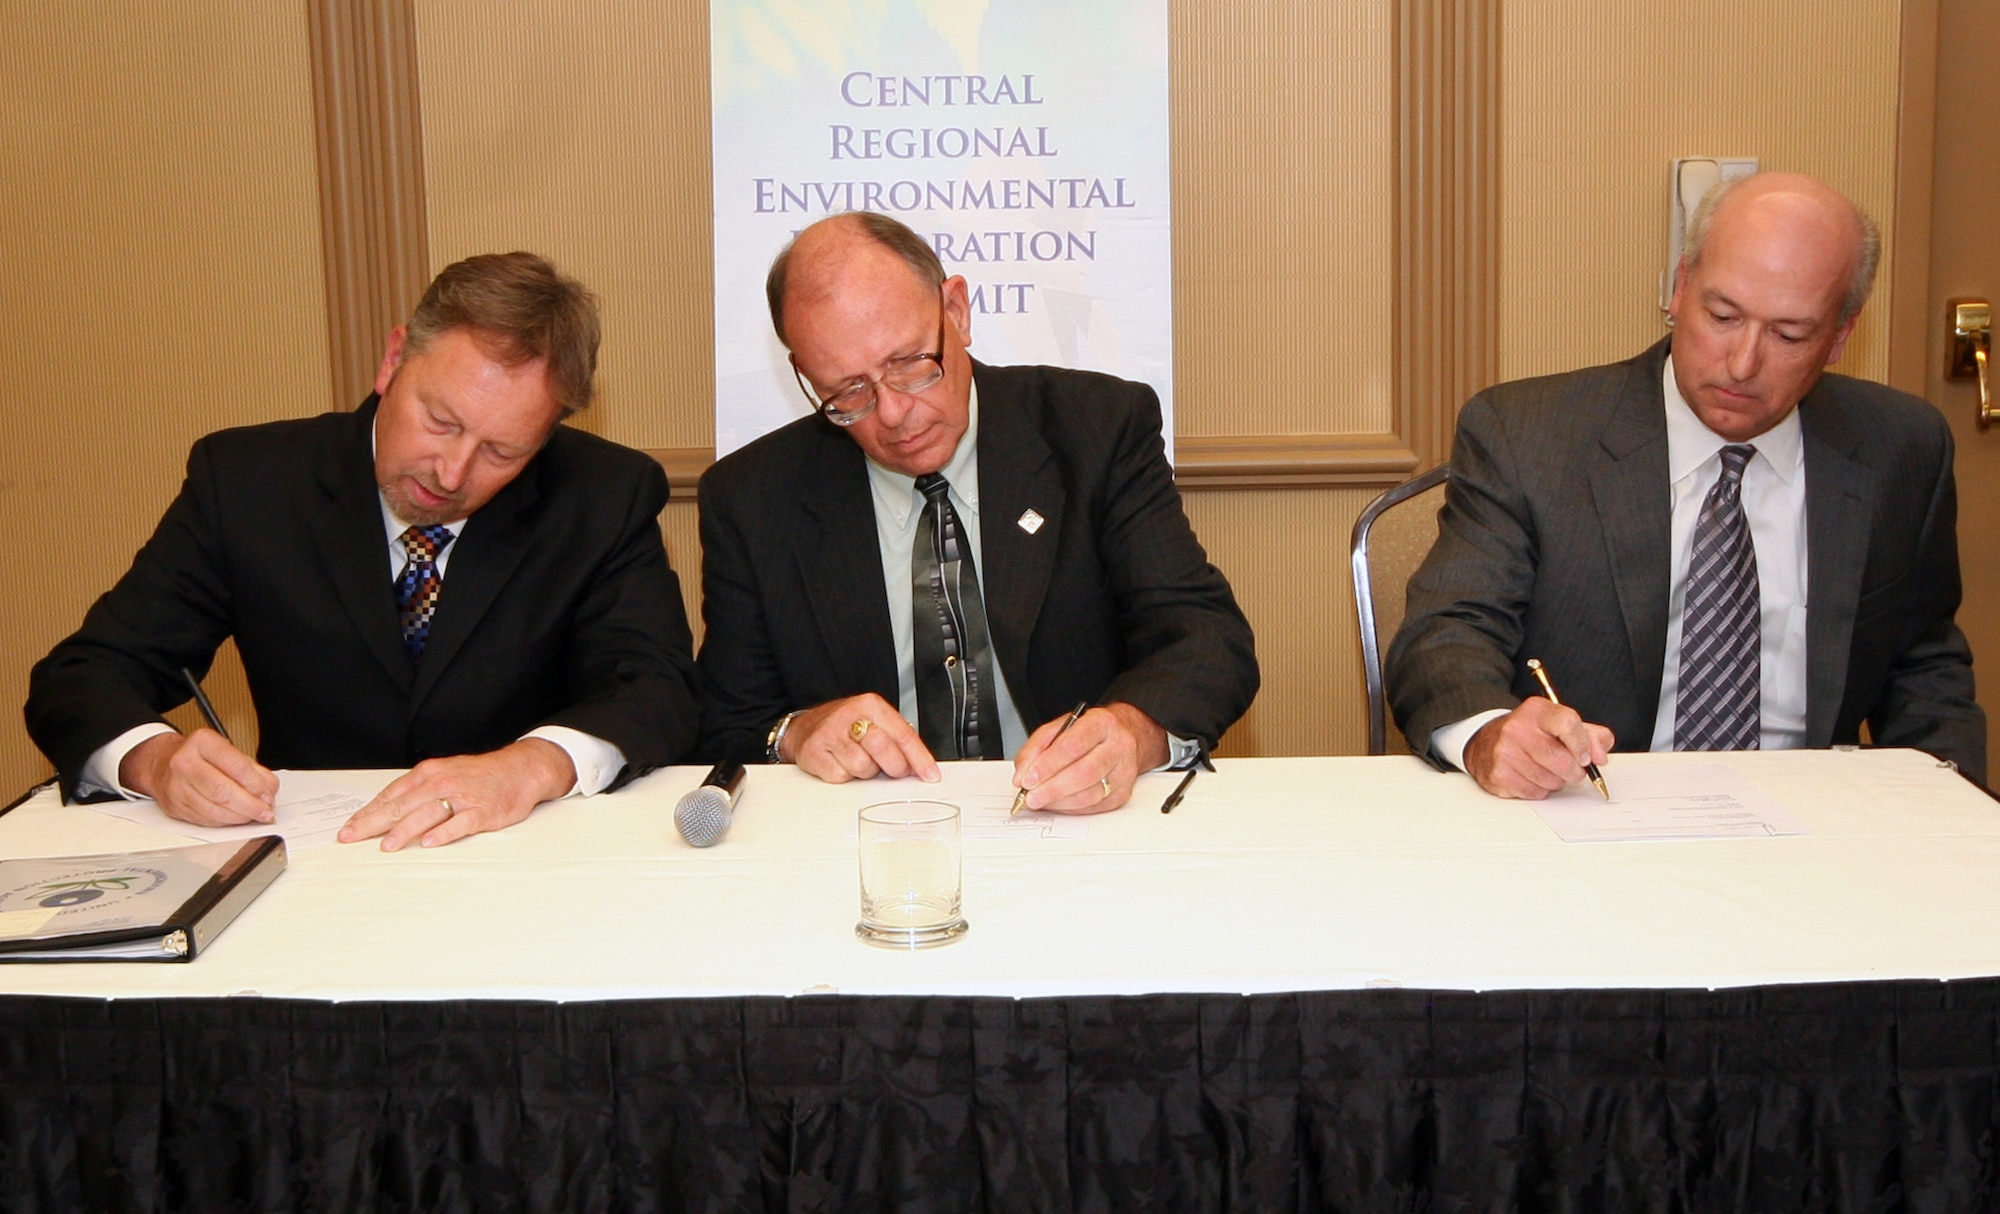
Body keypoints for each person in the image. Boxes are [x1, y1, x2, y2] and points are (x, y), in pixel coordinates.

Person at [26, 252, 701, 848]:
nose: (452, 473)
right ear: (392, 360)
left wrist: (533, 766)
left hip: (520, 853)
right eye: (440, 422)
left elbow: (656, 689)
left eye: (503, 451)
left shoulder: (603, 494)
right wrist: (155, 760)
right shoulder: (247, 482)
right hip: (312, 860)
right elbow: (83, 677)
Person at [1388, 172, 1985, 799]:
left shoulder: (1901, 447)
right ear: (1679, 288)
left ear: (1839, 336)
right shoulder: (1528, 435)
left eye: (1789, 335)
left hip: (1812, 820)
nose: (1742, 363)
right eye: (1723, 315)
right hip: (1590, 804)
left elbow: (1924, 668)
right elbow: (1448, 631)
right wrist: (1490, 734)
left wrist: (1954, 818)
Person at [697, 211, 1257, 811]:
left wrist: (1133, 731)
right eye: (847, 391)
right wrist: (794, 732)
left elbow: (1206, 639)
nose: (890, 413)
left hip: (1076, 822)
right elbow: (722, 718)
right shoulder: (753, 497)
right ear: (804, 375)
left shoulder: (1096, 428)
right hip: (866, 830)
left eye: (908, 363)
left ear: (957, 311)